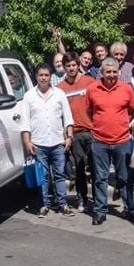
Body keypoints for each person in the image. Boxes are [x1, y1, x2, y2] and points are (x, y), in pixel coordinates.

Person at [86, 57, 134, 225]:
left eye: (114, 72)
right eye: (107, 72)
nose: (111, 75)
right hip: (99, 141)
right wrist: (97, 126)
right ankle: (99, 211)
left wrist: (124, 124)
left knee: (125, 178)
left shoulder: (126, 89)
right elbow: (89, 111)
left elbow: (133, 110)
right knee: (100, 178)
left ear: (118, 72)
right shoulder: (92, 89)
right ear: (102, 73)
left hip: (122, 140)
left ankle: (130, 210)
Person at [21, 64, 75, 217]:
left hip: (58, 142)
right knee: (42, 176)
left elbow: (68, 118)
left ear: (51, 76)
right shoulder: (29, 96)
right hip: (38, 144)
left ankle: (62, 204)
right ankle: (44, 205)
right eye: (41, 75)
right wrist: (27, 142)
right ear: (36, 77)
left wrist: (69, 137)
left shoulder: (60, 94)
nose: (43, 78)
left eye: (46, 75)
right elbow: (25, 122)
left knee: (59, 175)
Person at [57, 52, 97, 213]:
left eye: (74, 65)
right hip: (75, 133)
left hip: (92, 131)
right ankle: (82, 199)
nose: (71, 68)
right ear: (64, 68)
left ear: (78, 64)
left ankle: (98, 201)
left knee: (95, 168)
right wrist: (66, 134)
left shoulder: (90, 82)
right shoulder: (60, 88)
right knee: (79, 169)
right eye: (68, 66)